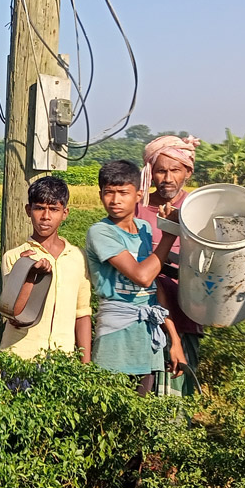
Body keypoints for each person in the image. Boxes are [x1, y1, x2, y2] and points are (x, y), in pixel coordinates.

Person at [85, 160, 185, 395]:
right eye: (109, 192)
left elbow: (154, 287)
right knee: (110, 415)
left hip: (146, 336)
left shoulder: (144, 229)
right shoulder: (101, 231)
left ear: (139, 195)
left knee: (141, 412)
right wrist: (170, 231)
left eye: (123, 193)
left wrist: (174, 339)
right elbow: (142, 276)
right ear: (100, 195)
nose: (115, 200)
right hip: (115, 336)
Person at [135, 134, 203, 396]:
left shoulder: (198, 207)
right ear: (150, 172)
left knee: (176, 396)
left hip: (185, 312)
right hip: (142, 314)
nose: (167, 178)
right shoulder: (138, 208)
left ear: (187, 171)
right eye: (160, 170)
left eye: (175, 170)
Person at [0, 176, 92, 361]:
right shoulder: (15, 257)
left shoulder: (77, 257)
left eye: (54, 209)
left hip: (61, 358)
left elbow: (82, 313)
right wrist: (27, 274)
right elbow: (14, 316)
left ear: (65, 213)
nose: (46, 216)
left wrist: (85, 364)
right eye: (39, 208)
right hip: (20, 357)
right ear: (29, 210)